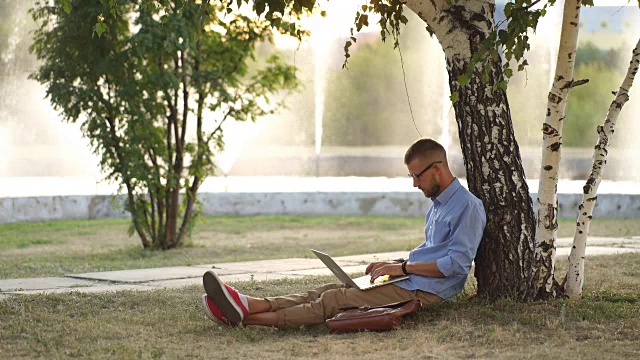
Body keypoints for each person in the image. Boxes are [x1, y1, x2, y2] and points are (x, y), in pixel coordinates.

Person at [200, 138, 486, 329]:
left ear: (437, 170)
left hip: (427, 290)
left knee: (335, 300)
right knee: (326, 289)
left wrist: (401, 267)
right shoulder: (437, 205)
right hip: (412, 277)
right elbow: (432, 252)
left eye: (417, 176)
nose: (414, 184)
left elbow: (456, 265)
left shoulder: (468, 207)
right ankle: (246, 304)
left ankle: (244, 318)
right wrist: (393, 265)